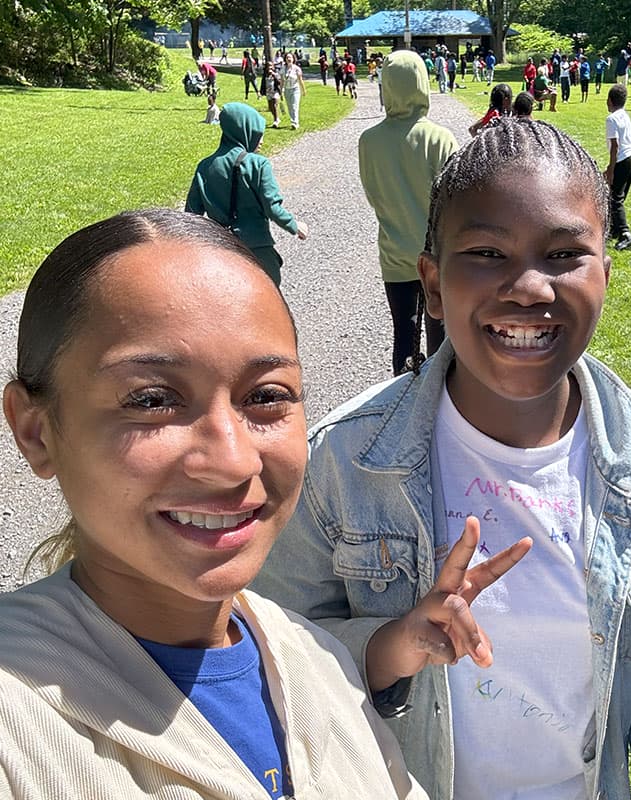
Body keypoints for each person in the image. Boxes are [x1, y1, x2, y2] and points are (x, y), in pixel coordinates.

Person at [253, 117, 631, 800]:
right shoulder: (343, 463)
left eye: (563, 255)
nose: (529, 287)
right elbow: (271, 654)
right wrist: (392, 644)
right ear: (432, 286)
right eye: (488, 254)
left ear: (605, 277)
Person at [0, 208, 428, 800]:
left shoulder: (318, 664)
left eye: (266, 396)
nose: (233, 461)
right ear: (35, 431)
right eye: (152, 400)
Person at [358, 50, 458, 375]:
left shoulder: (368, 141)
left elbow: (373, 194)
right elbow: (455, 201)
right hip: (437, 256)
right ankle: (439, 400)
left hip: (394, 252)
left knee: (403, 332)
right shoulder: (440, 139)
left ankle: (401, 397)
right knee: (440, 334)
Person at [186, 102, 308, 286]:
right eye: (257, 134)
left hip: (222, 249)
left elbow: (192, 215)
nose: (261, 140)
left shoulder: (204, 167)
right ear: (244, 131)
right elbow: (272, 207)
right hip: (257, 249)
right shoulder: (258, 164)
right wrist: (293, 225)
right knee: (268, 300)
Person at [605, 83, 631, 250]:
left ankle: (626, 233)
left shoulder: (611, 119)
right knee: (620, 195)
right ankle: (615, 229)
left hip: (622, 159)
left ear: (610, 101)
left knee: (614, 198)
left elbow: (615, 146)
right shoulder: (625, 115)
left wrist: (611, 169)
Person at [281, 51, 306, 129]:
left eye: (290, 57)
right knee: (289, 107)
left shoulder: (296, 68)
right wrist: (281, 90)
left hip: (295, 89)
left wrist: (303, 90)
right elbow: (282, 80)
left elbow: (300, 80)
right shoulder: (283, 68)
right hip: (287, 90)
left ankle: (295, 123)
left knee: (294, 105)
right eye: (287, 57)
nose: (289, 59)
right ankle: (293, 121)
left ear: (293, 59)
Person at [265, 62, 282, 128]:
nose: (270, 67)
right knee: (270, 107)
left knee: (274, 105)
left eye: (271, 66)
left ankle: (276, 120)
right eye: (268, 66)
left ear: (273, 67)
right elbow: (263, 83)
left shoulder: (276, 73)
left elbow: (279, 82)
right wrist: (261, 92)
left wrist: (274, 75)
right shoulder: (265, 74)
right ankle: (277, 118)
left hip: (275, 92)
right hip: (268, 92)